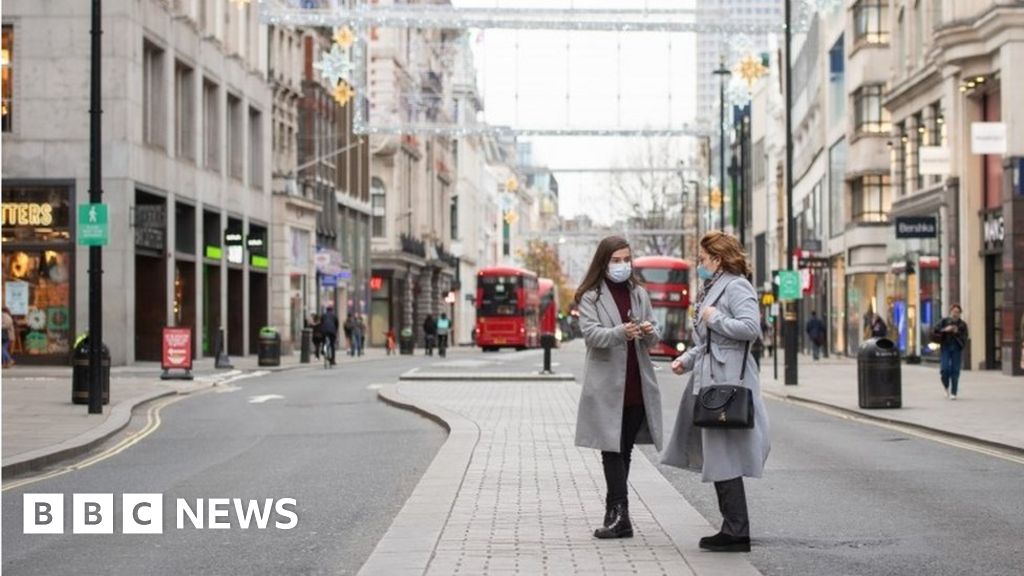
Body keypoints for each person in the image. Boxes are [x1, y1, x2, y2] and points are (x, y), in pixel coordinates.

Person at [662, 231, 770, 553]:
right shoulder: (712, 286)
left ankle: (736, 531)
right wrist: (686, 359)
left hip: (728, 382)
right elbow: (707, 343)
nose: (700, 263)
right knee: (719, 454)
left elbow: (752, 329)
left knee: (724, 454)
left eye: (703, 258)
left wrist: (717, 317)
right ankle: (732, 527)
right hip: (712, 377)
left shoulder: (737, 286)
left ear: (718, 259)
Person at [574, 235, 663, 540]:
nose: (623, 265)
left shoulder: (638, 293)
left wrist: (650, 331)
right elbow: (591, 335)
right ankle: (618, 513)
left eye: (627, 259)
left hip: (637, 383)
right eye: (616, 260)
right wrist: (620, 332)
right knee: (611, 450)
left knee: (623, 451)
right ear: (604, 261)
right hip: (607, 387)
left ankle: (618, 514)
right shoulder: (590, 296)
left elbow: (653, 336)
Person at [932, 304, 968, 399]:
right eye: (954, 312)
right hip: (946, 347)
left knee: (955, 370)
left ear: (960, 314)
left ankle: (954, 392)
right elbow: (934, 330)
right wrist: (945, 330)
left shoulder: (962, 325)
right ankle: (946, 385)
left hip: (956, 348)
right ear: (950, 312)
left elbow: (965, 338)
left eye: (957, 312)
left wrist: (957, 332)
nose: (955, 314)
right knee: (945, 369)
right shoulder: (944, 321)